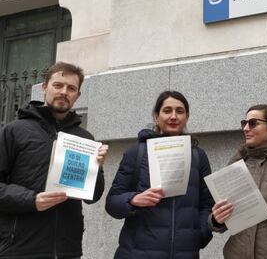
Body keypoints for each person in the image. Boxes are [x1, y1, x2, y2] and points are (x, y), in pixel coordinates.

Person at [0, 62, 108, 259]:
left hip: (68, 250)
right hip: (20, 249)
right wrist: (32, 200)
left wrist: (96, 168)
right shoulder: (14, 131)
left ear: (78, 96)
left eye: (71, 88)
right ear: (44, 87)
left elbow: (93, 197)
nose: (64, 92)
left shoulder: (85, 138)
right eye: (58, 85)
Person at [105, 90, 213, 259]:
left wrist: (198, 235)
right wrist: (133, 199)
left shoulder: (198, 156)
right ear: (156, 117)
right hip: (137, 253)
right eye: (167, 110)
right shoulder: (137, 152)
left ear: (186, 117)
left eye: (180, 111)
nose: (173, 116)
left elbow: (207, 204)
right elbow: (112, 203)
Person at [209, 104, 267, 259]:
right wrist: (216, 219)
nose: (245, 128)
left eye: (253, 123)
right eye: (244, 123)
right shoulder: (237, 163)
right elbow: (220, 221)